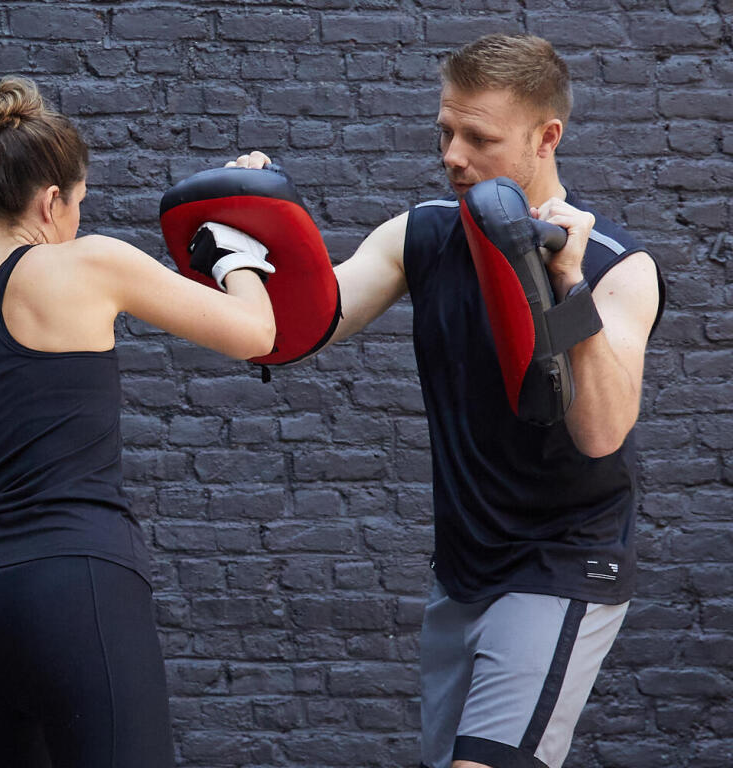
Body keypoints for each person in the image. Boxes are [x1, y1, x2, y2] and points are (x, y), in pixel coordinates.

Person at [226, 33, 662, 768]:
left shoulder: (620, 268)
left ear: (546, 137)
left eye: (479, 138)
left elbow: (602, 430)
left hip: (560, 564)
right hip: (461, 571)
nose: (453, 155)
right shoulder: (421, 235)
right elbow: (293, 330)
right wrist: (249, 227)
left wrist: (568, 285)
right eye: (446, 131)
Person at [0, 77, 279, 767]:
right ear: (51, 200)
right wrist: (234, 243)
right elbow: (255, 332)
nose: (79, 222)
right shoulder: (87, 264)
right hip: (77, 588)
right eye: (79, 205)